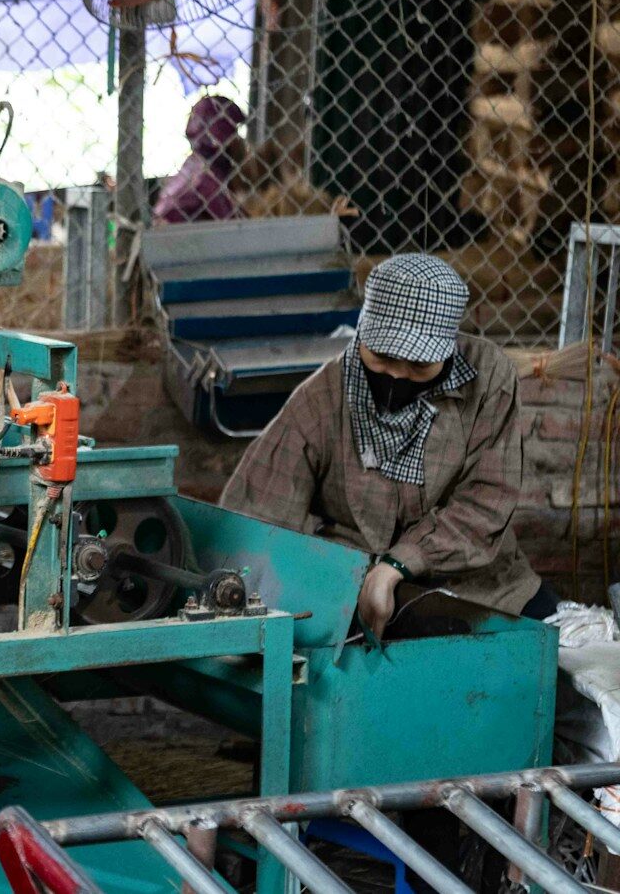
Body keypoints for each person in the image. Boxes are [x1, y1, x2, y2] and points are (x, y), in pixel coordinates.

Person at [221, 254, 553, 638]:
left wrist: (397, 566)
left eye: (417, 364)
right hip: (351, 584)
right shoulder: (322, 398)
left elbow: (485, 501)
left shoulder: (489, 378)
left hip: (471, 579)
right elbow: (259, 514)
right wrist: (240, 592)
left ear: (447, 348)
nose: (397, 373)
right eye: (382, 356)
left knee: (542, 656)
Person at [152, 95, 247, 224]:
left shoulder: (193, 165)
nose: (240, 140)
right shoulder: (207, 177)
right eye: (235, 132)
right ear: (224, 134)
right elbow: (235, 223)